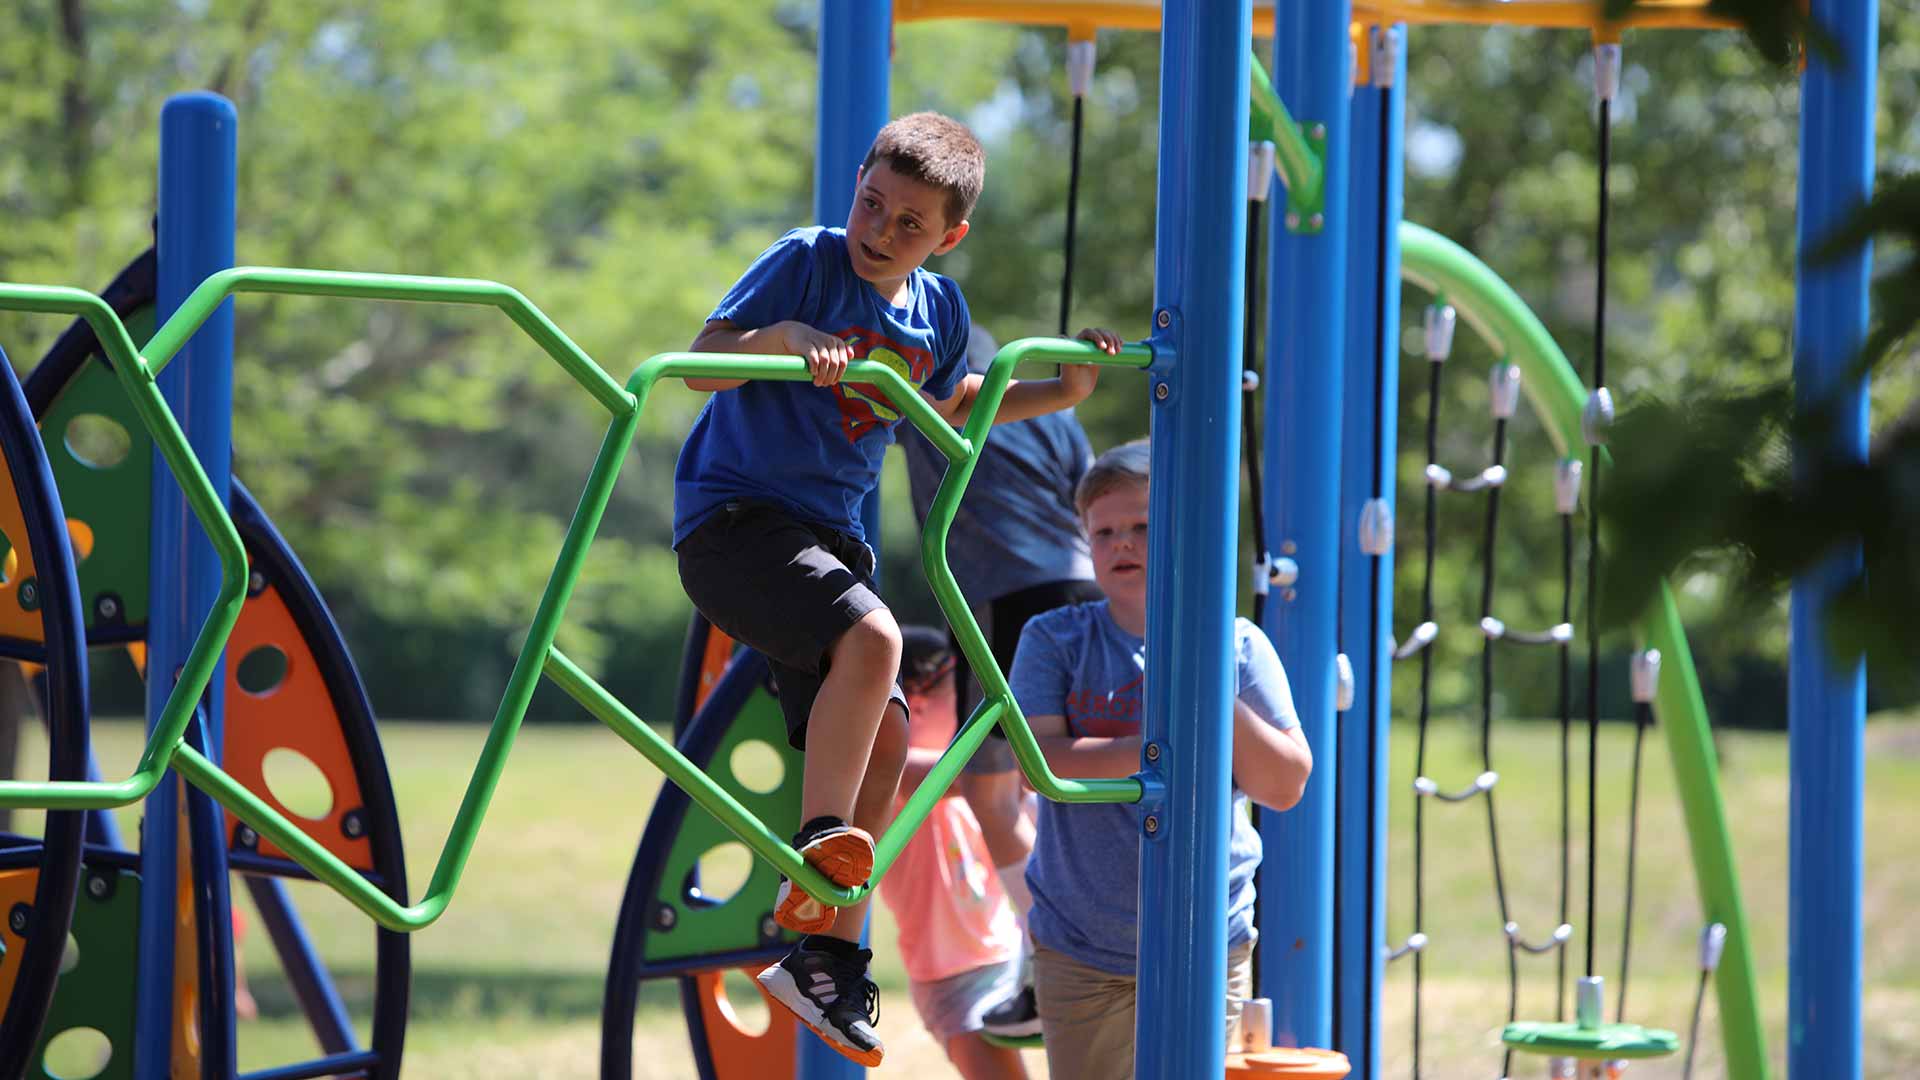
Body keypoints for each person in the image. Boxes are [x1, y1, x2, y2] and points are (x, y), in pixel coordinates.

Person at [673, 110, 1123, 1066]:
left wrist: (1063, 393)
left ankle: (826, 955)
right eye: (871, 204)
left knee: (879, 727)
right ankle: (823, 842)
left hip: (831, 542)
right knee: (875, 643)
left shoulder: (940, 314)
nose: (879, 231)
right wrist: (786, 337)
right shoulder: (807, 259)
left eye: (908, 223)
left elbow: (955, 408)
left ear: (949, 237)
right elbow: (703, 362)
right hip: (735, 523)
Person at [1007, 439, 1313, 1079]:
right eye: (1105, 532)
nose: (1122, 543)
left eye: (1143, 527)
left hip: (1206, 939)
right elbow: (1044, 763)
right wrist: (1162, 752)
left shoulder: (1236, 646)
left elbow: (1283, 784)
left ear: (1184, 530)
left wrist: (1206, 688)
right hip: (1081, 942)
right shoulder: (1055, 638)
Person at [897, 322, 1101, 1037]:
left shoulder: (929, 389)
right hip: (1088, 591)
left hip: (1002, 596)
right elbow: (1091, 492)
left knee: (989, 793)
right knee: (1065, 783)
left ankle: (1052, 960)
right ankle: (1074, 947)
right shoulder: (1057, 412)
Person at [877, 626, 1030, 1080]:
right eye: (961, 697)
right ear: (918, 700)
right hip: (951, 981)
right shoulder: (885, 768)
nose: (969, 713)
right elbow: (969, 779)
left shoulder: (975, 787)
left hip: (1008, 956)